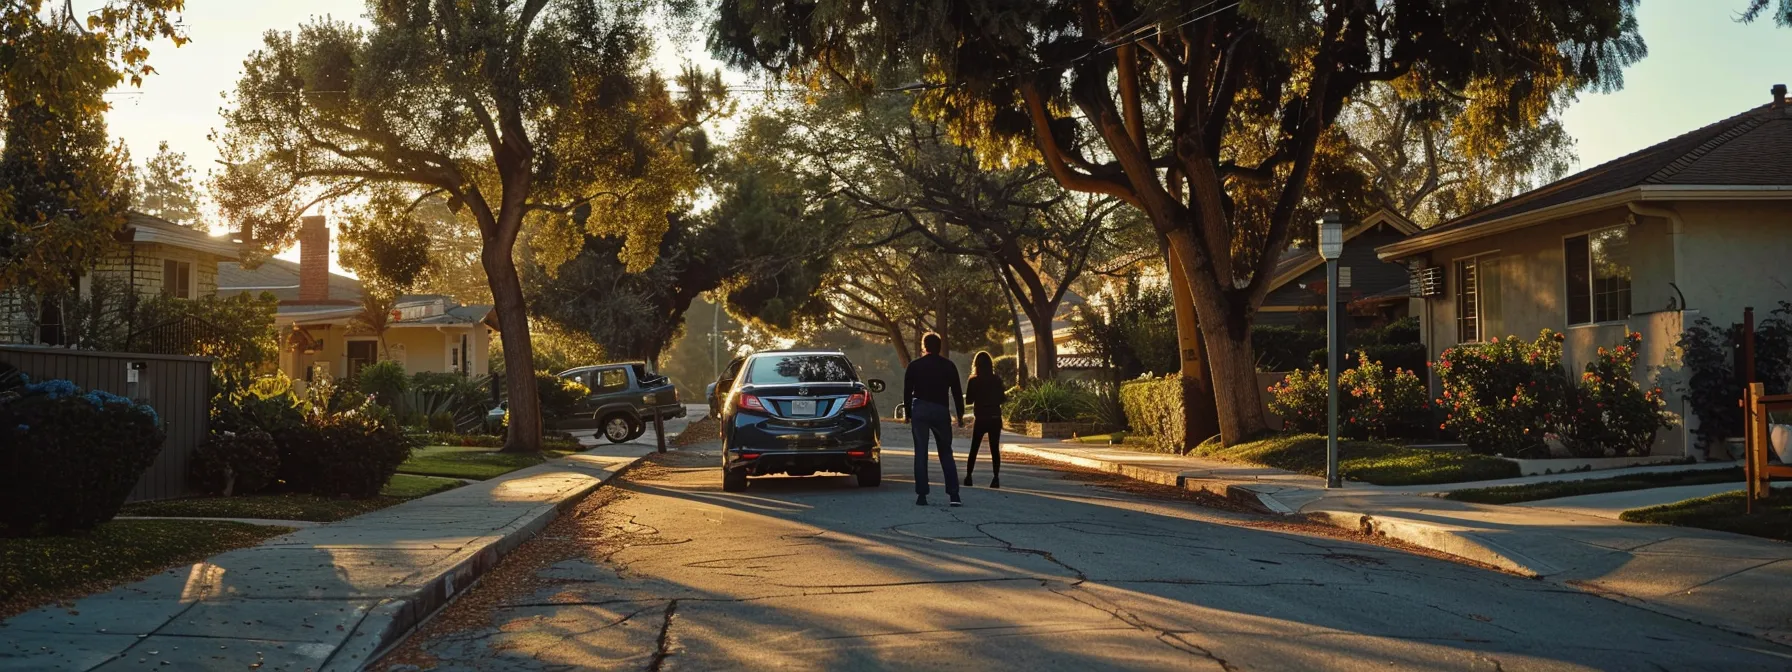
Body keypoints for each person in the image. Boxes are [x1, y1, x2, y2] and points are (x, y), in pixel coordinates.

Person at [903, 332, 963, 506]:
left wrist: (908, 413)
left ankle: (922, 495)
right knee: (946, 452)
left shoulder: (914, 366)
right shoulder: (948, 366)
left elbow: (907, 391)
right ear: (940, 347)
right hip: (940, 410)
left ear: (924, 346)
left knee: (920, 452)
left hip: (920, 409)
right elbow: (957, 392)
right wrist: (959, 415)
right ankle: (954, 495)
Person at [962, 351, 1006, 488]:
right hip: (995, 416)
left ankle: (969, 476)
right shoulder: (997, 379)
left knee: (974, 448)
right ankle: (996, 478)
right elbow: (1002, 399)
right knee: (994, 448)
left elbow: (969, 400)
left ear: (976, 365)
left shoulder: (974, 380)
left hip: (981, 417)